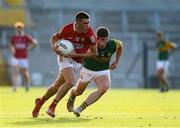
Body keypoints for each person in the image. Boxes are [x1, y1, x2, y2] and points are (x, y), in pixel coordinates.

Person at [32, 11, 97, 118]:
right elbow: (54, 38)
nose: (88, 26)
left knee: (56, 86)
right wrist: (55, 48)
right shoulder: (67, 29)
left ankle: (39, 103)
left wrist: (76, 54)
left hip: (77, 62)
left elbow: (94, 54)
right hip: (65, 58)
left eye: (88, 23)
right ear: (78, 23)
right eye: (85, 23)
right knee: (71, 82)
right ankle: (52, 106)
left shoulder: (90, 35)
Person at [66, 27, 123, 117]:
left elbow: (120, 46)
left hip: (102, 71)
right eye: (98, 39)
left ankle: (80, 108)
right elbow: (82, 52)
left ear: (107, 38)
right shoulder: (91, 44)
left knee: (104, 88)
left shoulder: (114, 44)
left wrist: (116, 61)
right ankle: (72, 95)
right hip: (87, 70)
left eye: (103, 39)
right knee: (78, 92)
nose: (100, 42)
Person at [9, 21, 37, 92]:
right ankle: (15, 87)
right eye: (17, 28)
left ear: (22, 29)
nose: (19, 29)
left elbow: (34, 43)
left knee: (24, 73)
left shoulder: (26, 37)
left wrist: (28, 49)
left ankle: (27, 85)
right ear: (16, 29)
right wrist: (12, 50)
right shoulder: (14, 37)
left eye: (20, 28)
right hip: (15, 57)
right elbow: (11, 45)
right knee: (15, 71)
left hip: (23, 57)